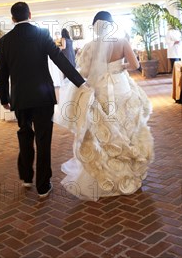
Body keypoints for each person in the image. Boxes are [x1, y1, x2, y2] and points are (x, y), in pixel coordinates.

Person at [55, 11, 154, 201]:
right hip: (121, 88)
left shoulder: (90, 46)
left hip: (100, 89)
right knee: (127, 127)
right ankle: (128, 172)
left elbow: (83, 72)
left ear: (95, 27)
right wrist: (119, 67)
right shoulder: (122, 41)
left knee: (102, 130)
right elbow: (134, 65)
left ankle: (106, 174)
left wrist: (99, 69)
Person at [0, 2, 86, 198]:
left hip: (20, 98)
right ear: (30, 14)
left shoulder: (4, 42)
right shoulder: (41, 34)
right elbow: (60, 60)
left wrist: (4, 97)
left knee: (24, 134)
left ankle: (27, 177)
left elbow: (1, 74)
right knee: (43, 140)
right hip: (43, 96)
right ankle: (43, 186)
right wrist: (80, 82)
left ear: (12, 19)